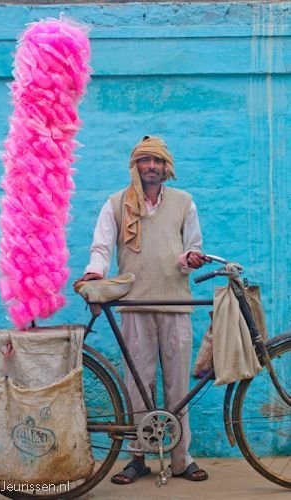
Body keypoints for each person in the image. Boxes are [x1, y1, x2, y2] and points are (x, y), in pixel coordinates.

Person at [74, 135, 209, 484]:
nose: (152, 166)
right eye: (145, 161)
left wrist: (191, 259)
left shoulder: (184, 203)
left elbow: (191, 248)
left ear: (167, 168)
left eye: (158, 161)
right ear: (135, 166)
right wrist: (94, 271)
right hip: (134, 305)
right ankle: (137, 458)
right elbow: (101, 247)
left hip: (177, 304)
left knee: (178, 386)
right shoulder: (117, 203)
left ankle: (181, 458)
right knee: (138, 385)